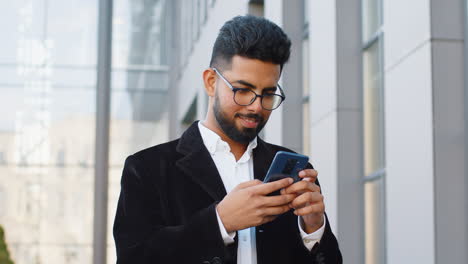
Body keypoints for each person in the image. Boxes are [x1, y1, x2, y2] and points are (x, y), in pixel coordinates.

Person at [113, 15, 342, 264]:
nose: (256, 107)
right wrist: (220, 222)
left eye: (267, 93)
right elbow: (133, 258)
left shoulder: (296, 172)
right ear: (211, 82)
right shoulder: (146, 168)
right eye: (243, 90)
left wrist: (314, 229)